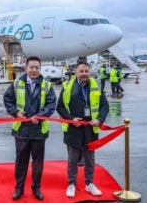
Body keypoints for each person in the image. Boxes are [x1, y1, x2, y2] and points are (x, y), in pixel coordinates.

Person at [3, 56, 57, 201]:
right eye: (31, 67)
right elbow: (8, 100)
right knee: (21, 163)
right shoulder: (16, 83)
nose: (34, 70)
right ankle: (19, 189)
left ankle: (36, 188)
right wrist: (16, 112)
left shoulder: (47, 85)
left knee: (38, 164)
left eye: (36, 68)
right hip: (21, 130)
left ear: (40, 69)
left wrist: (39, 116)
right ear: (26, 68)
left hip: (39, 130)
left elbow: (51, 104)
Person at [56, 61, 109, 198]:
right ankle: (71, 184)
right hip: (73, 128)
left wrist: (99, 120)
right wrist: (71, 119)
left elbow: (104, 106)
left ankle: (89, 183)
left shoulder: (96, 85)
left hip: (91, 128)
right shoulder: (67, 86)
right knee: (72, 159)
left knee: (90, 159)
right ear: (76, 72)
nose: (84, 74)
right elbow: (60, 107)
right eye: (81, 71)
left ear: (89, 72)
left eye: (86, 71)